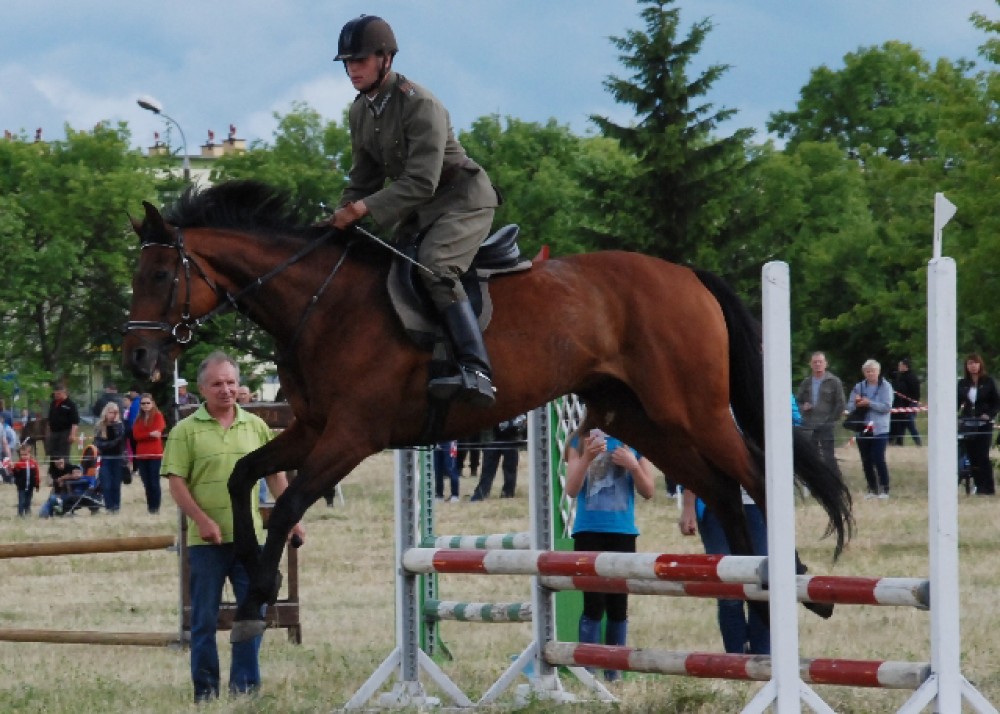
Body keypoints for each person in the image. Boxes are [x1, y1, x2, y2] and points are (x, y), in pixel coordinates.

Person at [330, 15, 501, 407]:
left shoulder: (419, 103)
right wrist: (334, 221)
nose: (352, 69)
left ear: (386, 59)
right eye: (347, 62)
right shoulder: (360, 111)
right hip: (420, 208)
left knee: (435, 266)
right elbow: (364, 178)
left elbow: (422, 181)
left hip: (462, 199)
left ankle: (476, 369)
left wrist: (361, 209)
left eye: (360, 60)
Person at [160, 351, 304, 702]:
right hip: (206, 544)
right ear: (202, 389)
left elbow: (275, 476)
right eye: (217, 384)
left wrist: (292, 518)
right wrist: (201, 520)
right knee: (204, 620)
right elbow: (176, 483)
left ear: (239, 385)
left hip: (249, 542)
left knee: (252, 615)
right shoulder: (184, 431)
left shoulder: (255, 427)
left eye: (230, 382)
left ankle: (245, 690)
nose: (225, 390)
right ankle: (206, 692)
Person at [676, 396, 802, 655]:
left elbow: (792, 439)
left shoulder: (776, 394)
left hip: (758, 505)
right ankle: (734, 657)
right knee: (727, 590)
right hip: (716, 505)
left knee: (763, 584)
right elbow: (693, 452)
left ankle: (762, 656)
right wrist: (689, 505)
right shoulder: (707, 395)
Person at [565, 415, 655, 682]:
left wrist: (633, 465)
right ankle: (589, 670)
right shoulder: (578, 441)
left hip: (622, 532)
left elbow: (649, 490)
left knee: (618, 604)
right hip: (588, 532)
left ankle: (614, 672)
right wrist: (586, 458)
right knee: (593, 603)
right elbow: (571, 490)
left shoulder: (634, 441)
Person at [848, 359, 894, 499]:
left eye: (873, 371)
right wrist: (857, 403)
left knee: (878, 458)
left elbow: (887, 407)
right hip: (863, 427)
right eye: (867, 371)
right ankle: (872, 489)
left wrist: (870, 403)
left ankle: (884, 488)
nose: (870, 374)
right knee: (866, 459)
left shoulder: (885, 386)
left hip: (880, 428)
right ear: (864, 373)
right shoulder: (859, 387)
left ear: (878, 372)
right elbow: (850, 406)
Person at [795, 352, 845, 477]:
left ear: (825, 364)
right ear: (810, 364)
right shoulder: (806, 382)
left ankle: (834, 479)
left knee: (828, 455)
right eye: (815, 362)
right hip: (809, 425)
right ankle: (816, 478)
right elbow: (797, 401)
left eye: (820, 362)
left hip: (826, 424)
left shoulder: (834, 381)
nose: (817, 364)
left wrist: (832, 419)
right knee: (812, 454)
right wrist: (803, 407)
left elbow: (840, 403)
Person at [957, 353, 1000, 496]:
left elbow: (996, 402)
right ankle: (979, 486)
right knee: (972, 456)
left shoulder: (988, 381)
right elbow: (957, 401)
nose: (973, 366)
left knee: (983, 456)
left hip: (984, 424)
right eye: (970, 363)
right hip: (968, 423)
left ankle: (988, 487)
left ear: (980, 364)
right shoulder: (963, 383)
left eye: (975, 363)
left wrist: (989, 414)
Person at [470, 414, 526, 501]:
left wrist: (513, 425)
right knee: (487, 468)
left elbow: (522, 419)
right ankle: (481, 493)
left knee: (510, 468)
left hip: (511, 438)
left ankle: (507, 493)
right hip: (492, 438)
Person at [131, 393, 166, 514]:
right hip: (141, 454)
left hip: (155, 454)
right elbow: (136, 435)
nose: (145, 405)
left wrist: (146, 435)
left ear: (152, 403)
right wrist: (149, 434)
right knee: (146, 482)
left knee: (154, 482)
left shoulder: (158, 416)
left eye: (147, 403)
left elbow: (158, 432)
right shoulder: (138, 419)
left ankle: (155, 508)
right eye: (143, 403)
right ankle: (150, 508)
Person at [94, 400, 127, 513]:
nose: (112, 415)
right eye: (111, 412)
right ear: (106, 413)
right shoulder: (100, 426)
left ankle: (116, 507)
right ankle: (109, 507)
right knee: (106, 484)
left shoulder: (120, 425)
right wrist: (111, 443)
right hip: (105, 459)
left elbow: (121, 441)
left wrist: (116, 426)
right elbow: (99, 443)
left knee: (116, 484)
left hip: (118, 458)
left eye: (115, 412)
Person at [890, 358, 922, 446]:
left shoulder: (911, 378)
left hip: (910, 404)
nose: (899, 367)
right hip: (902, 404)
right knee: (901, 423)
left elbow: (914, 393)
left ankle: (918, 442)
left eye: (900, 365)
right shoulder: (901, 377)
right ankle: (899, 442)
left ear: (905, 366)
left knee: (909, 423)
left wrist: (910, 404)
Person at [45, 384, 80, 461]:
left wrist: (72, 434)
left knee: (63, 454)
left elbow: (75, 421)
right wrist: (48, 431)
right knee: (53, 454)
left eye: (58, 394)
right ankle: (53, 468)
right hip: (54, 432)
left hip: (65, 432)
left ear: (64, 393)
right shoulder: (53, 403)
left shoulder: (71, 405)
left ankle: (65, 467)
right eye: (55, 394)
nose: (56, 395)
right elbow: (49, 419)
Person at [11, 444, 40, 517]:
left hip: (30, 486)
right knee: (21, 500)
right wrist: (12, 468)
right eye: (22, 455)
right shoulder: (18, 464)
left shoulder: (34, 463)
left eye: (25, 454)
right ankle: (20, 514)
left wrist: (37, 484)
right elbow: (15, 474)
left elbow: (37, 474)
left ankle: (27, 512)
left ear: (30, 454)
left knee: (28, 500)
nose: (24, 456)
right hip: (21, 486)